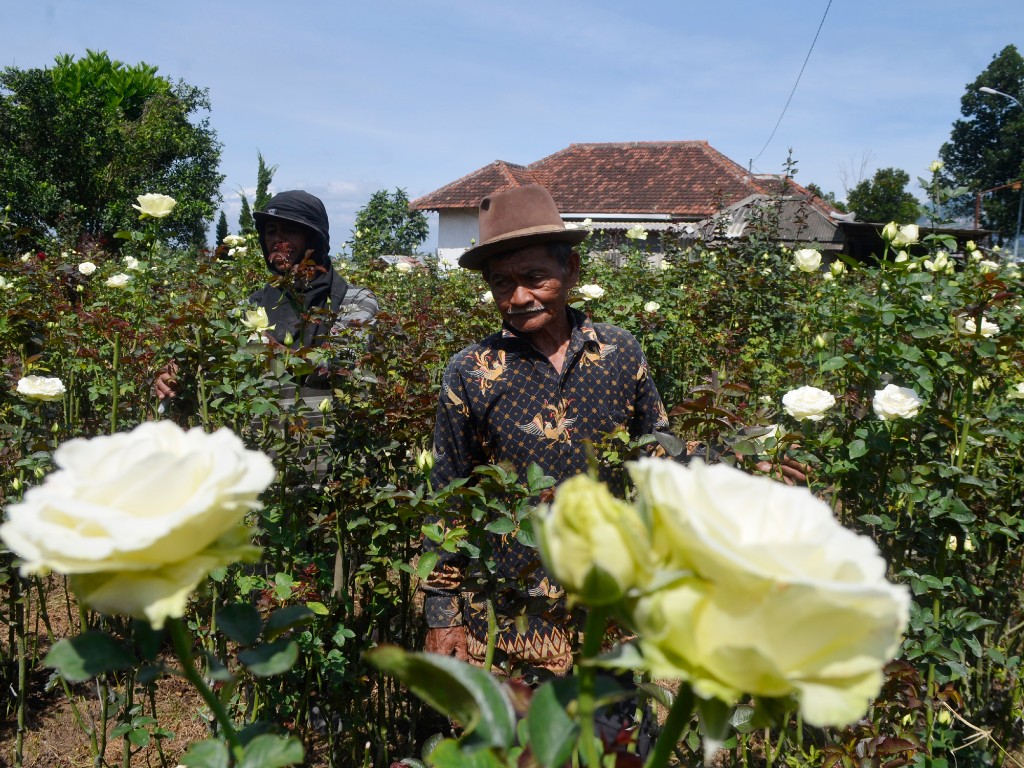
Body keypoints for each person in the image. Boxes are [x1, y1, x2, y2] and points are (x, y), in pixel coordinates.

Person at [420, 184, 671, 675]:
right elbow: (448, 494)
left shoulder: (620, 353)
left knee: (615, 744)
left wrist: (744, 468)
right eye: (500, 284)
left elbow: (660, 461)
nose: (517, 297)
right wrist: (442, 613)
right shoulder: (471, 371)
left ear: (570, 270)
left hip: (615, 609)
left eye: (534, 277)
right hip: (511, 619)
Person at [155, 190, 378, 478]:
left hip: (336, 462)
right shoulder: (253, 305)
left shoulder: (355, 301)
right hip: (264, 458)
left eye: (289, 232)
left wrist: (270, 351)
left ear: (314, 239)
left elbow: (341, 360)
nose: (277, 240)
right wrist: (179, 370)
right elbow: (216, 357)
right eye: (271, 232)